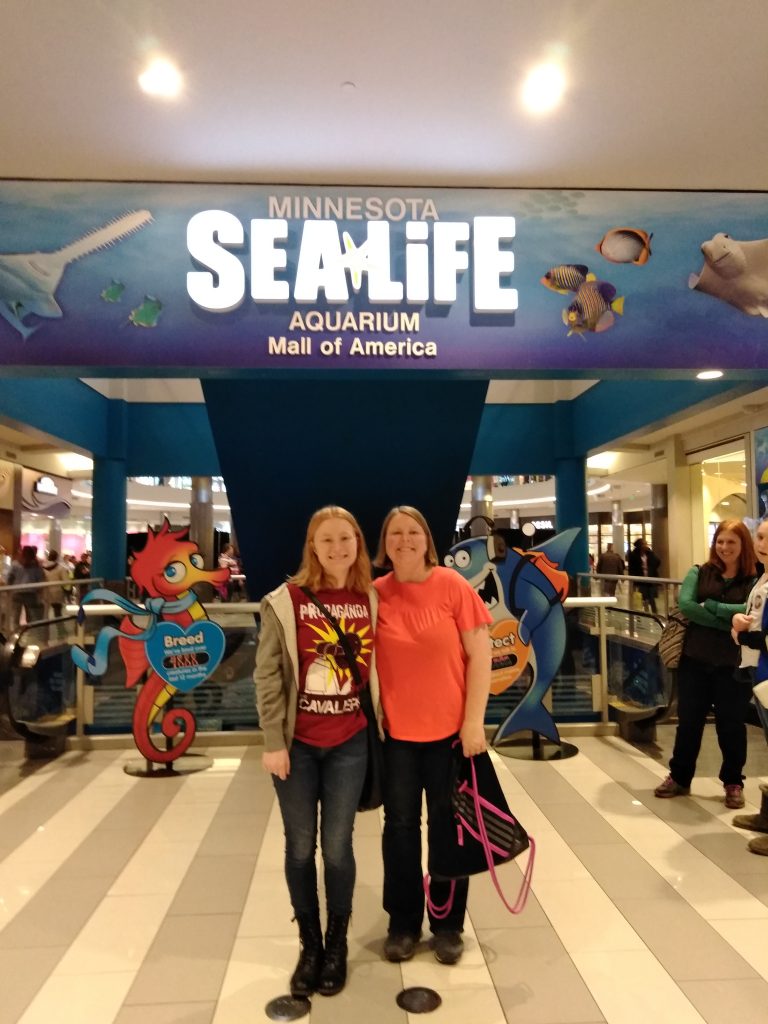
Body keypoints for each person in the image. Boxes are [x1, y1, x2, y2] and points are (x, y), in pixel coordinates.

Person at [254, 506, 379, 998]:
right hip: (297, 747)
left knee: (339, 846)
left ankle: (337, 942)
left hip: (350, 742)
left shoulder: (371, 598)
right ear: (312, 546)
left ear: (357, 543)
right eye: (326, 541)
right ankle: (309, 943)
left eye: (345, 539)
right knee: (300, 846)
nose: (336, 549)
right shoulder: (285, 601)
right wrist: (272, 742)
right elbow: (266, 675)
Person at [373, 505, 492, 967]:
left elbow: (480, 657)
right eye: (395, 533)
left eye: (413, 532)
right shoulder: (375, 593)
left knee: (448, 830)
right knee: (399, 829)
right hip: (397, 738)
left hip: (449, 735)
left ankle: (447, 923)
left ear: (427, 540)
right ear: (385, 543)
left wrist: (473, 722)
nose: (404, 540)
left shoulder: (453, 586)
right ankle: (402, 923)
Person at [654, 519, 756, 808]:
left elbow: (751, 612)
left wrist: (710, 607)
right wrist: (730, 621)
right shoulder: (699, 573)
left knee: (732, 725)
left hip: (734, 665)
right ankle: (679, 776)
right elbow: (686, 606)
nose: (724, 547)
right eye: (720, 541)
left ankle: (733, 782)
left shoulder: (753, 580)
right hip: (694, 661)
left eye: (731, 542)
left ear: (742, 545)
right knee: (689, 722)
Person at [7, 545, 45, 628]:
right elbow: (40, 580)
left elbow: (9, 578)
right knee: (31, 617)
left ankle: (16, 635)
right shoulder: (37, 566)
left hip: (16, 592)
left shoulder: (15, 564)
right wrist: (40, 593)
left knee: (16, 617)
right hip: (31, 593)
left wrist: (9, 589)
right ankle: (29, 635)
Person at [627, 537, 661, 612]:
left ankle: (655, 614)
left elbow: (658, 562)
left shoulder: (649, 553)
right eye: (644, 544)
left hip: (650, 580)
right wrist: (634, 581)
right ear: (639, 545)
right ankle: (644, 614)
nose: (646, 545)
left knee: (652, 598)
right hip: (640, 581)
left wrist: (651, 553)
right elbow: (631, 569)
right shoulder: (633, 555)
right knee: (642, 598)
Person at [42, 549, 72, 617]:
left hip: (45, 592)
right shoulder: (61, 568)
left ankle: (45, 627)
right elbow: (66, 581)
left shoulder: (42, 567)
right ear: (57, 557)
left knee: (45, 613)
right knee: (57, 613)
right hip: (57, 592)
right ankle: (59, 626)